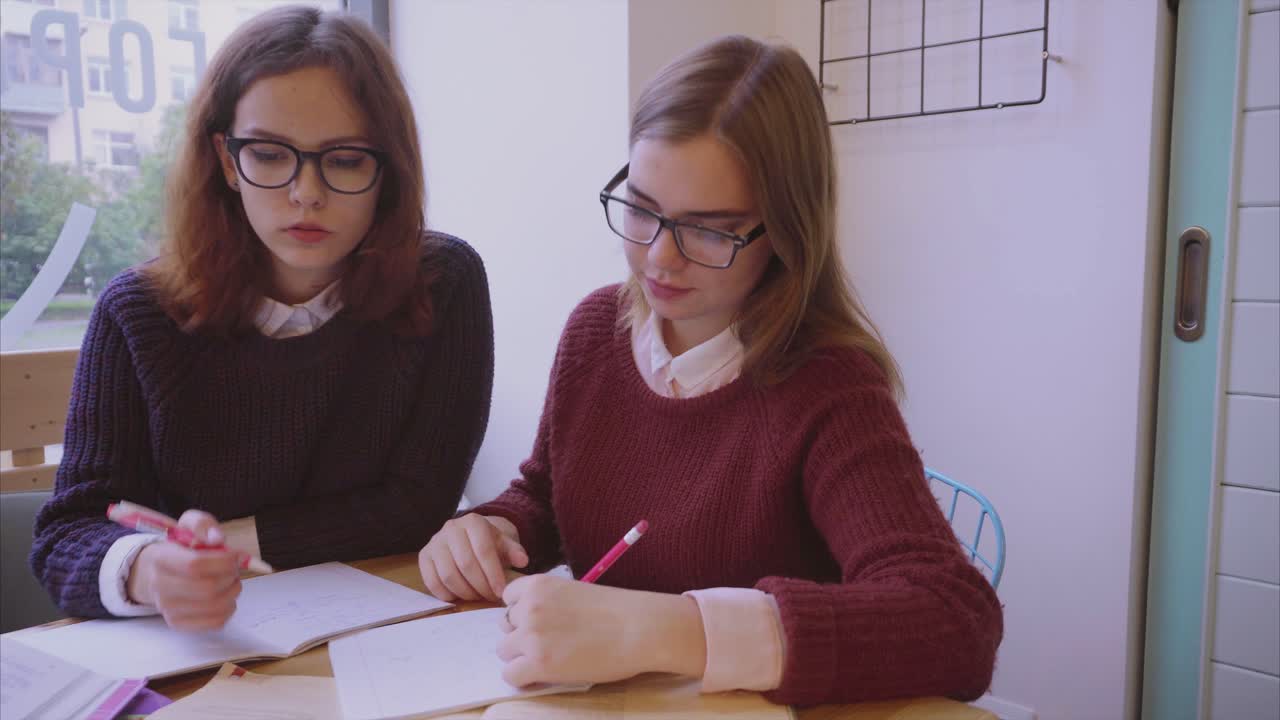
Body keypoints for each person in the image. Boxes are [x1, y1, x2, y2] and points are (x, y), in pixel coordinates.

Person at [417, 35, 1001, 707]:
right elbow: (547, 493)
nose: (660, 259)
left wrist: (673, 629)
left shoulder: (828, 386)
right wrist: (494, 532)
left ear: (784, 230)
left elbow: (958, 624)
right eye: (640, 209)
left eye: (708, 230)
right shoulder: (595, 332)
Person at [30, 6, 493, 631]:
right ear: (226, 160)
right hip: (201, 642)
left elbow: (418, 503)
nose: (307, 192)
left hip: (381, 629)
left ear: (388, 171)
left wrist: (230, 541)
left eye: (346, 159)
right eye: (271, 155)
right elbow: (66, 534)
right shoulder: (136, 312)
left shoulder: (443, 283)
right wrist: (149, 569)